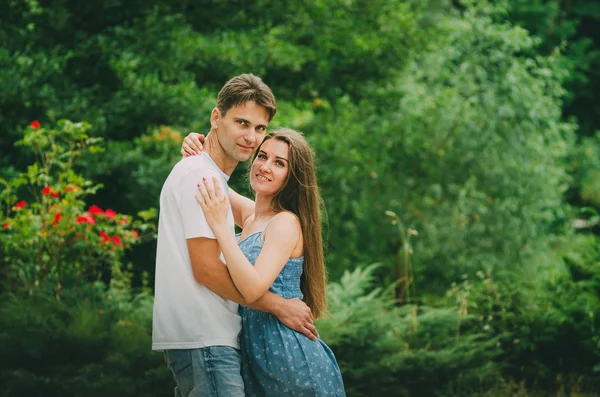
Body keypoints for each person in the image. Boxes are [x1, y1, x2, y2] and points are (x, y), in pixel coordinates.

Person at [152, 74, 317, 397]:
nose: (251, 137)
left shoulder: (208, 177)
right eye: (242, 123)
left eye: (259, 128)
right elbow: (206, 268)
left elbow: (246, 210)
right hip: (206, 338)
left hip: (214, 341)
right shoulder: (202, 177)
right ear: (216, 117)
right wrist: (279, 305)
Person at [194, 128, 346, 396]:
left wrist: (221, 227)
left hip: (288, 357)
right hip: (257, 356)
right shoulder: (253, 218)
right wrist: (196, 144)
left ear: (293, 177)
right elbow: (206, 178)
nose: (264, 166)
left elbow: (252, 290)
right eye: (262, 156)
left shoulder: (285, 223)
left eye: (279, 163)